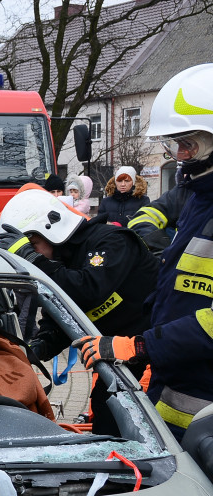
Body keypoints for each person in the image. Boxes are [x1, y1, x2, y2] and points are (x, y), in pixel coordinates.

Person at [73, 64, 213, 442]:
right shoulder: (199, 197)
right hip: (179, 388)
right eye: (177, 144)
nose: (181, 156)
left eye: (190, 144)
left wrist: (139, 344)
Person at [0, 185, 158, 435]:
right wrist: (36, 349)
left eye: (33, 244)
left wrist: (31, 256)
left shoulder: (112, 241)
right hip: (117, 361)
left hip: (152, 356)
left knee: (150, 432)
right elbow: (64, 316)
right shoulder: (60, 264)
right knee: (107, 421)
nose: (33, 254)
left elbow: (87, 290)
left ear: (52, 229)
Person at [126, 181, 193, 255]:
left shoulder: (142, 199)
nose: (123, 184)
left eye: (126, 181)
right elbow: (143, 217)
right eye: (119, 181)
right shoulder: (180, 193)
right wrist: (158, 246)